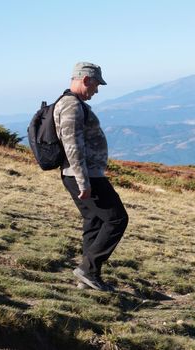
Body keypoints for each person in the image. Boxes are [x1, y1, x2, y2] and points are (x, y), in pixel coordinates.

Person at [54, 62, 128, 292]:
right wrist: (83, 181)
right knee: (117, 219)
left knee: (94, 221)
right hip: (85, 176)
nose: (96, 90)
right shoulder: (71, 106)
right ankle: (88, 269)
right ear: (86, 80)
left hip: (80, 175)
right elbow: (72, 145)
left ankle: (88, 278)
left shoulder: (71, 103)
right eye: (96, 85)